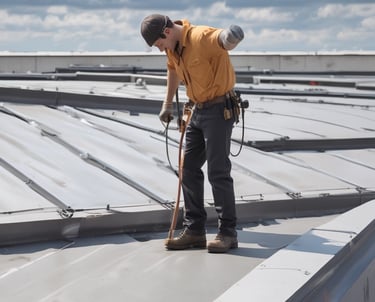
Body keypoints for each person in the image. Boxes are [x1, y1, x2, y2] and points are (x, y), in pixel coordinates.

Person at [140, 14, 244, 253]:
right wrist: (167, 104)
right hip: (197, 110)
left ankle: (228, 233)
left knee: (218, 171)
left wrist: (231, 37)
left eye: (159, 45)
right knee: (188, 169)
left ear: (167, 32)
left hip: (219, 110)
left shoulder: (200, 36)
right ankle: (195, 230)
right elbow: (173, 70)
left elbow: (222, 40)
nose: (160, 50)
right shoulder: (173, 49)